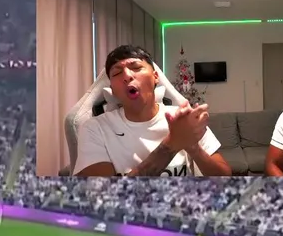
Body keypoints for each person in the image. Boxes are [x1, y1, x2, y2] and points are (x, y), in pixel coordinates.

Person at [74, 45, 231, 177]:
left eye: (136, 67)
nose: (127, 75)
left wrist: (194, 148)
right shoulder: (95, 129)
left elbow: (225, 178)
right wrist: (171, 144)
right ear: (112, 90)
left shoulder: (183, 120)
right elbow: (103, 196)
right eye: (117, 73)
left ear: (156, 77)